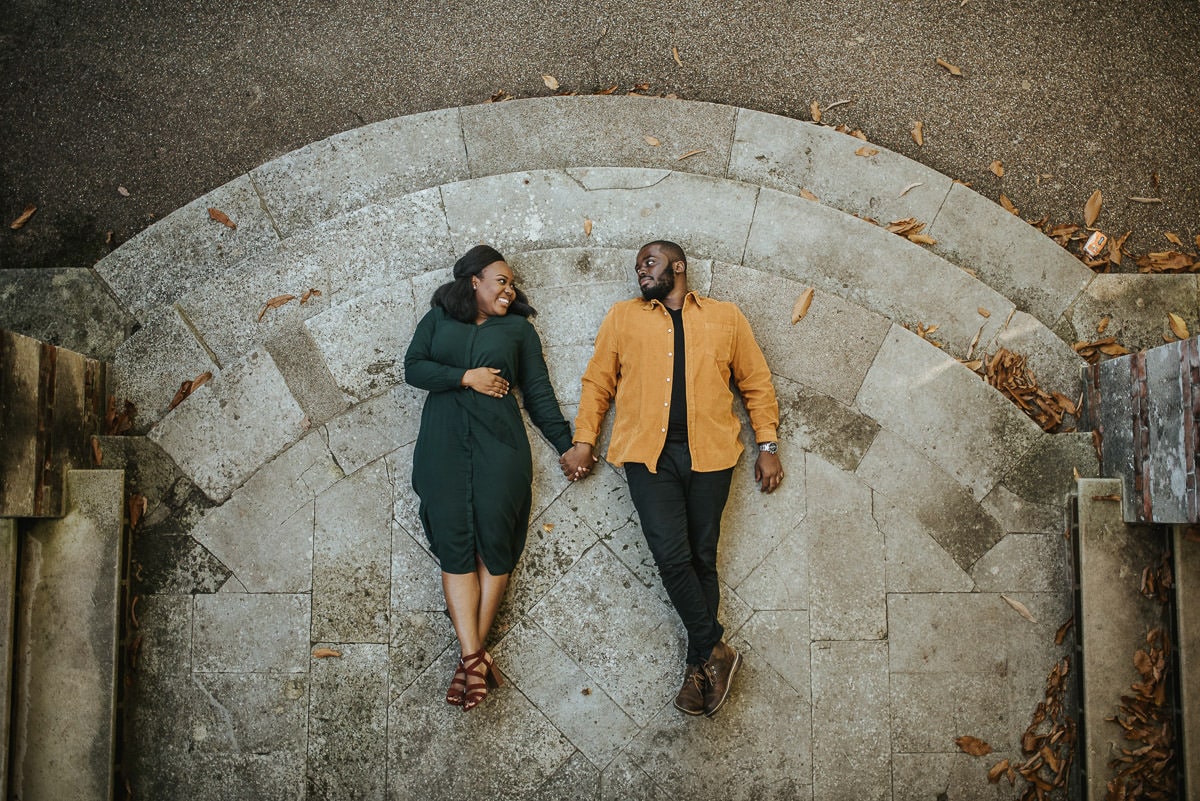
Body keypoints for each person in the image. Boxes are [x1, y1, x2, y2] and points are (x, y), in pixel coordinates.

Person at [560, 240, 783, 718]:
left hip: (712, 454)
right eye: (638, 266)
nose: (641, 271)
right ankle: (717, 648)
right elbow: (598, 382)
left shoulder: (726, 317)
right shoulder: (623, 317)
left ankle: (698, 669)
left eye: (650, 262)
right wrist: (584, 440)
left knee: (702, 557)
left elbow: (756, 382)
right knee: (670, 554)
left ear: (677, 266)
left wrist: (767, 446)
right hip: (648, 457)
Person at [405, 245, 574, 711]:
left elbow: (538, 392)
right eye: (501, 280)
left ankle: (470, 661)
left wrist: (566, 444)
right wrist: (467, 377)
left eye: (512, 284)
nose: (509, 289)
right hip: (442, 450)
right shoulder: (438, 320)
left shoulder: (518, 330)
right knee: (454, 547)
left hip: (501, 450)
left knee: (495, 546)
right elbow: (413, 368)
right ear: (474, 281)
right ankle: (475, 660)